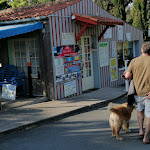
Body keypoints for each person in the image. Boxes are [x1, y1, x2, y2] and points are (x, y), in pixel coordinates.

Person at [125, 41, 150, 144]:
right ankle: (146, 137)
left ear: (141, 50)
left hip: (137, 92)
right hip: (148, 94)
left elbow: (127, 76)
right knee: (149, 115)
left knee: (140, 111)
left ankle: (140, 130)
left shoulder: (134, 61)